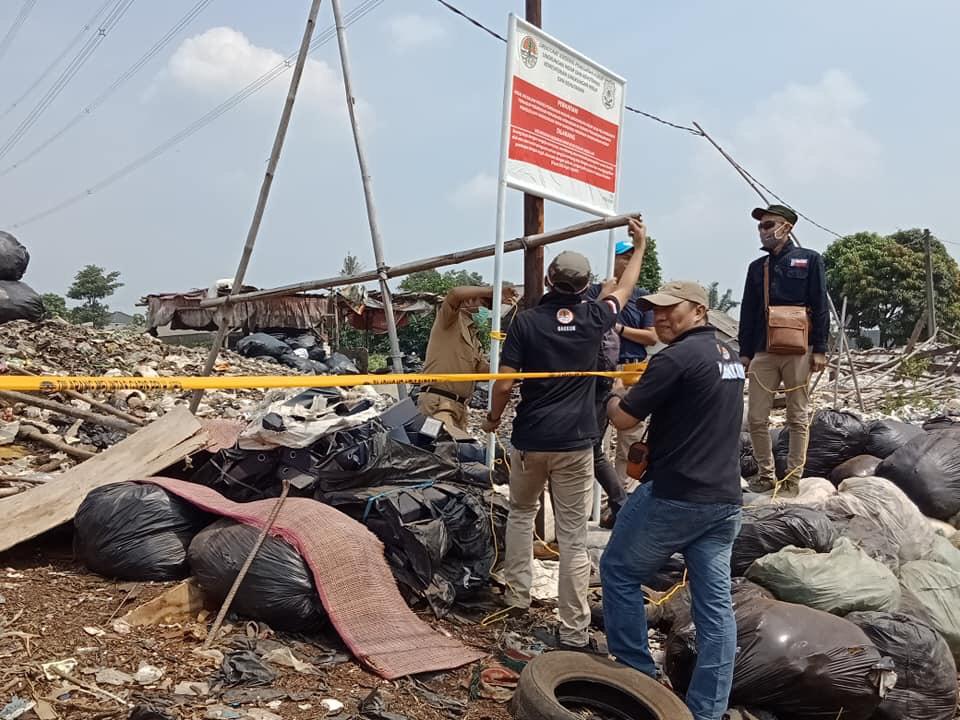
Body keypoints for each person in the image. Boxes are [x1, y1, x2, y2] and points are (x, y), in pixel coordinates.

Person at [482, 218, 649, 652]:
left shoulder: (526, 322)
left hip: (530, 439)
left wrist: (493, 419)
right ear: (586, 286)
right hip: (576, 443)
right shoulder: (596, 316)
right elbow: (624, 291)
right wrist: (641, 246)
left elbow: (503, 383)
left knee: (521, 513)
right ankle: (573, 630)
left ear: (548, 278)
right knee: (574, 538)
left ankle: (517, 598)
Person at [600, 281, 744, 720]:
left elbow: (624, 416)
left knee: (618, 571)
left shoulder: (675, 358)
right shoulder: (729, 357)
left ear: (699, 310)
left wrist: (610, 390)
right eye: (655, 311)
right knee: (715, 608)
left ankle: (638, 678)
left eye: (670, 310)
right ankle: (708, 711)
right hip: (724, 501)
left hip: (676, 495)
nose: (661, 318)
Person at [738, 204, 829, 492]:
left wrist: (821, 350)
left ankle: (792, 479)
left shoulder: (809, 260)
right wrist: (745, 352)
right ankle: (766, 476)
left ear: (786, 227)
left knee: (797, 416)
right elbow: (748, 312)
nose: (763, 231)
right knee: (755, 418)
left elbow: (820, 306)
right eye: (761, 226)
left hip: (799, 350)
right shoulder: (757, 268)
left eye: (769, 225)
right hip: (763, 351)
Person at [587, 241, 658, 525]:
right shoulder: (596, 294)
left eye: (632, 257)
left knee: (629, 440)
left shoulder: (643, 299)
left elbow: (652, 338)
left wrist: (618, 328)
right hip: (602, 370)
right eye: (623, 257)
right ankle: (599, 502)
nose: (628, 262)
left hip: (632, 371)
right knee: (595, 439)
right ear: (611, 260)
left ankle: (619, 504)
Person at [417, 285, 516, 434]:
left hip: (459, 407)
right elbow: (454, 294)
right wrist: (494, 291)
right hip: (439, 402)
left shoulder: (472, 336)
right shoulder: (449, 321)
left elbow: (482, 369)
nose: (485, 310)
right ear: (468, 300)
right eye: (484, 304)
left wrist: (513, 368)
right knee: (443, 449)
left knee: (455, 452)